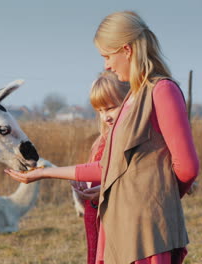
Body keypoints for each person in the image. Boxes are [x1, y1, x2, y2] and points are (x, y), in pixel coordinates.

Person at [5, 10, 199, 264]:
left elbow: (187, 168)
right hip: (119, 228)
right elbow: (107, 168)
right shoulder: (131, 98)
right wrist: (44, 173)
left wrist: (156, 205)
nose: (106, 65)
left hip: (145, 235)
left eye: (107, 56)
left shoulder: (162, 91)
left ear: (127, 50)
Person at [71, 71, 129, 264]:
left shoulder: (132, 141)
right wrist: (81, 188)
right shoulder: (100, 143)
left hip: (119, 222)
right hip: (94, 216)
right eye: (100, 111)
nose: (105, 117)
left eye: (111, 108)